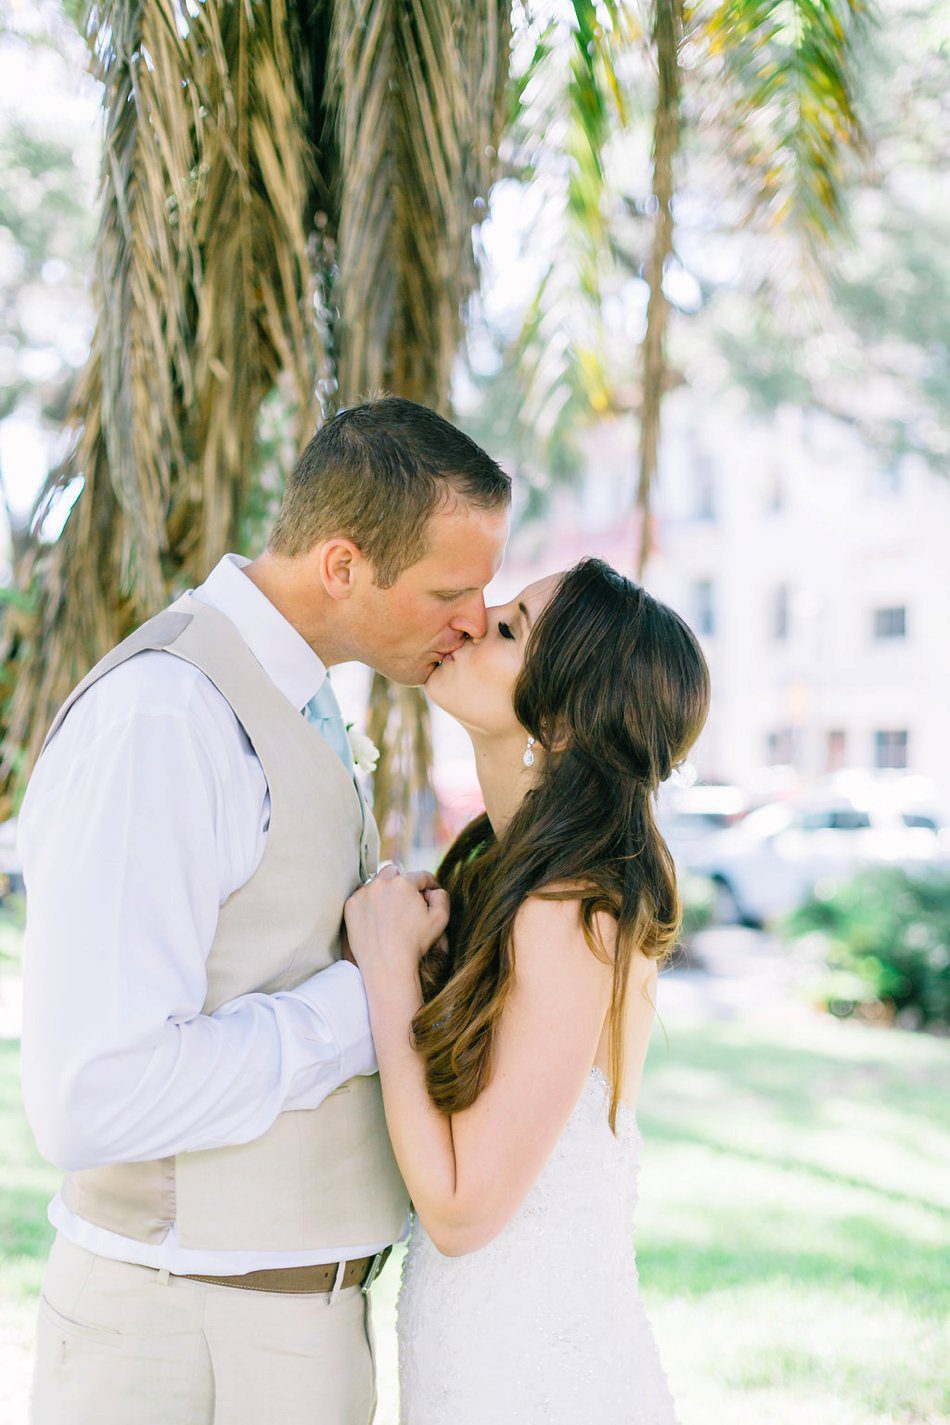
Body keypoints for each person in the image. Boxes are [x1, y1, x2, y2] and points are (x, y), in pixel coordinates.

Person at [18, 396, 510, 1425]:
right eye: (449, 591)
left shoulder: (302, 696)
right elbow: (93, 1098)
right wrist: (365, 1003)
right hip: (177, 1333)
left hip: (290, 1324)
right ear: (341, 566)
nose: (471, 620)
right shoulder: (164, 720)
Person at [344, 557, 711, 1424]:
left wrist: (391, 977)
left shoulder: (568, 910)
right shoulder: (508, 872)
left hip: (536, 1379)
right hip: (478, 1358)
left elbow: (464, 1211)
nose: (472, 620)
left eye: (509, 627)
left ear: (565, 719)